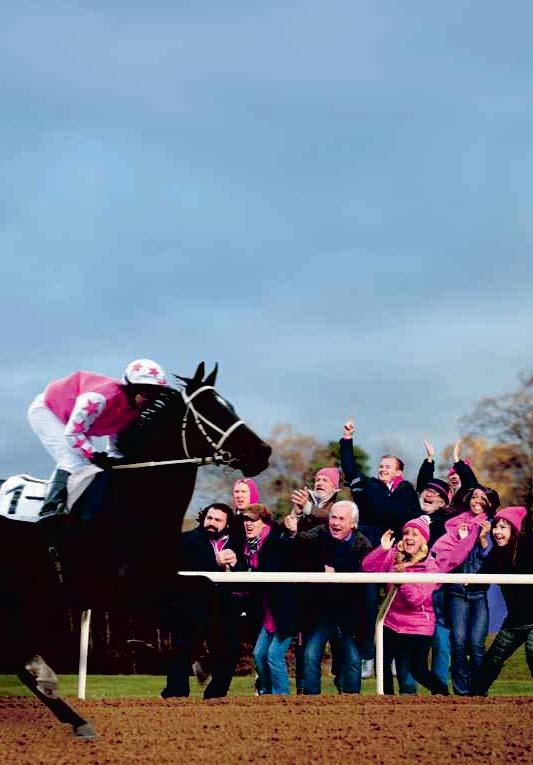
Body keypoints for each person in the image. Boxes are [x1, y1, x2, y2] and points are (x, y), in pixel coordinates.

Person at [27, 359, 168, 517]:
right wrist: (94, 455)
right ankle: (50, 511)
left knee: (90, 467)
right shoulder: (98, 399)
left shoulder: (135, 409)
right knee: (73, 461)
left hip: (75, 421)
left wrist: (114, 457)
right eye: (147, 393)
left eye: (156, 394)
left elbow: (116, 436)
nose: (151, 400)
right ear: (132, 388)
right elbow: (72, 434)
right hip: (48, 410)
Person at [362, 516, 482, 695]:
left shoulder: (430, 567)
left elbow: (416, 600)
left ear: (424, 540)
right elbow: (367, 569)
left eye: (415, 534)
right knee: (383, 664)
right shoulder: (395, 555)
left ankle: (444, 696)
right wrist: (383, 549)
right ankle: (386, 704)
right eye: (406, 533)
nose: (409, 537)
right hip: (391, 622)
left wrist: (402, 579)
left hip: (417, 626)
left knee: (417, 670)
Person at [340, 420, 420, 679]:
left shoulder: (408, 491)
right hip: (371, 555)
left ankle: (395, 657)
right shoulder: (368, 487)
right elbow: (349, 467)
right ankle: (368, 655)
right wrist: (347, 439)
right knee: (367, 604)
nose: (382, 469)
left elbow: (414, 518)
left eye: (387, 466)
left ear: (399, 472)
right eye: (380, 466)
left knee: (397, 606)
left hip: (398, 556)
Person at [284, 501, 371, 695]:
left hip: (349, 614)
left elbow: (361, 570)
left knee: (353, 660)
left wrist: (335, 568)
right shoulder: (319, 533)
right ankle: (312, 701)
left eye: (341, 519)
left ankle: (352, 700)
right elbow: (298, 548)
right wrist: (292, 532)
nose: (336, 522)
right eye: (333, 517)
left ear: (353, 524)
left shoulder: (362, 543)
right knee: (310, 655)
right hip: (320, 612)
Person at [161, 502, 243, 699]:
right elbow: (181, 564)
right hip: (191, 605)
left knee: (228, 652)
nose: (212, 523)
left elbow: (246, 570)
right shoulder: (187, 539)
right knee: (182, 650)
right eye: (209, 518)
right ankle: (175, 695)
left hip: (224, 608)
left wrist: (236, 563)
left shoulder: (237, 543)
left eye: (217, 520)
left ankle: (216, 696)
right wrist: (214, 563)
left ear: (227, 524)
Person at [431, 484, 500, 695]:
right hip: (456, 591)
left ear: (490, 504)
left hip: (479, 593)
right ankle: (461, 691)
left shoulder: (494, 526)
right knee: (458, 642)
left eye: (483, 498)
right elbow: (447, 556)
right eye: (475, 496)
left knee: (476, 644)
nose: (477, 500)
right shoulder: (455, 524)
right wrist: (461, 540)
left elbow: (491, 560)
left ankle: (479, 690)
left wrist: (482, 539)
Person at [472, 506, 533, 695]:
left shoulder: (528, 545)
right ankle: (474, 700)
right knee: (492, 660)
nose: (497, 532)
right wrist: (466, 583)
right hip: (515, 620)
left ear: (514, 530)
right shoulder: (496, 553)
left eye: (503, 527)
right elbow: (479, 581)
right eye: (496, 527)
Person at [241, 503, 298, 695]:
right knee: (259, 654)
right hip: (268, 612)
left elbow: (290, 551)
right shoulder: (249, 546)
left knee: (273, 655)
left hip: (285, 611)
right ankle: (265, 693)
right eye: (246, 520)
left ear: (263, 522)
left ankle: (282, 698)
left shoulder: (274, 540)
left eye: (252, 520)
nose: (248, 524)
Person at [289, 467, 342, 532]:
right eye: (317, 480)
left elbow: (329, 516)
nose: (319, 483)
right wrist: (296, 514)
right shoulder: (306, 498)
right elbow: (292, 529)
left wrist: (307, 507)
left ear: (334, 488)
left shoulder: (340, 504)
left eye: (325, 480)